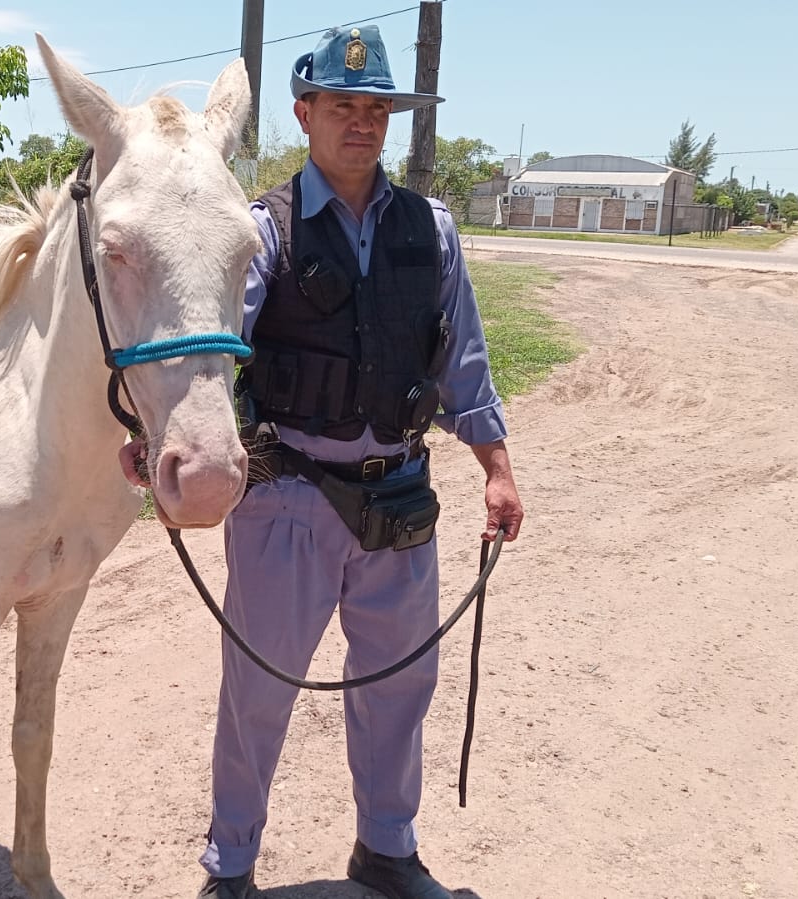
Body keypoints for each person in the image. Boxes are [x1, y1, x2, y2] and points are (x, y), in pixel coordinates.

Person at [195, 24, 524, 899]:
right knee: (258, 689)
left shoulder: (432, 231)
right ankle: (229, 863)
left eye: (376, 107)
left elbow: (465, 363)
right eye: (343, 105)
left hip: (398, 500)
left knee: (400, 686)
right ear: (303, 112)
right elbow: (212, 354)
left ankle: (385, 847)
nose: (361, 122)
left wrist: (494, 464)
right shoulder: (259, 231)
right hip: (288, 500)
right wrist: (166, 440)